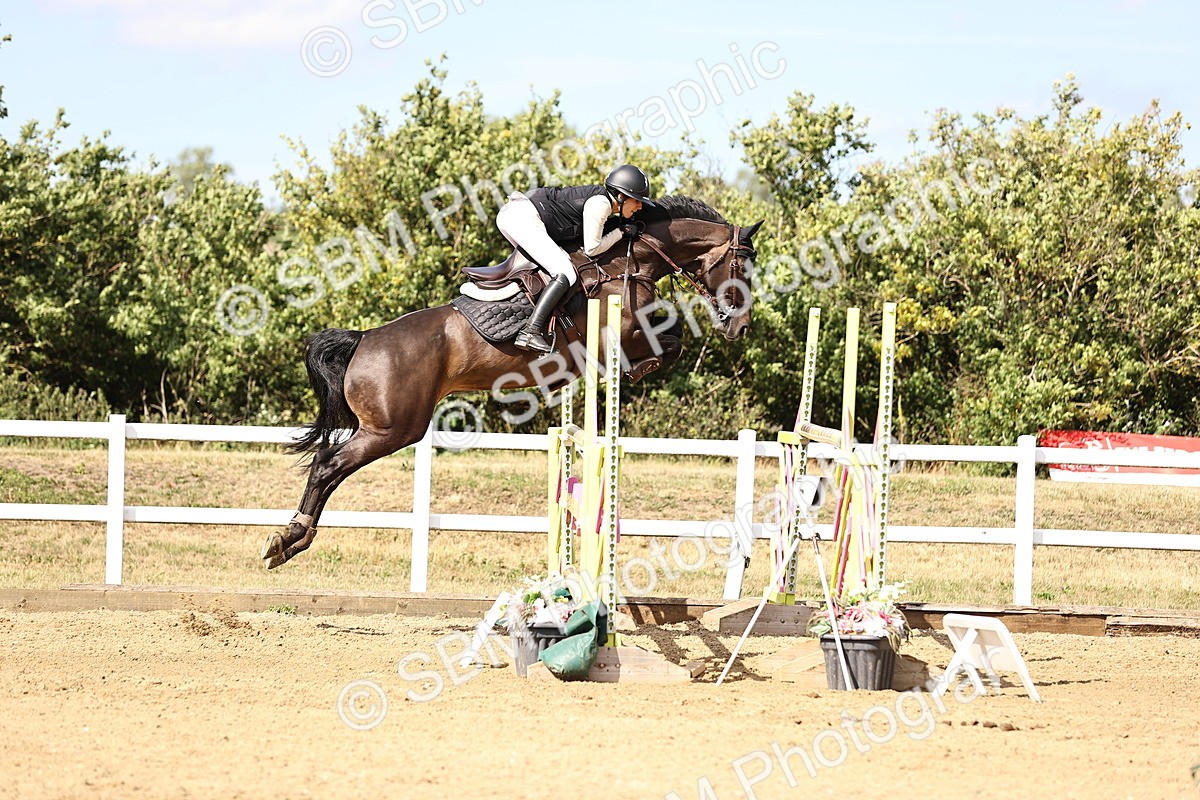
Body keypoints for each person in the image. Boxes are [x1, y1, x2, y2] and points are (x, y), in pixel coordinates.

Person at [496, 164, 655, 353]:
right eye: (636, 200)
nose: (640, 206)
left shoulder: (601, 202)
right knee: (565, 272)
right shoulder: (601, 204)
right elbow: (592, 248)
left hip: (518, 216)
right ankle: (530, 331)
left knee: (552, 269)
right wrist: (621, 232)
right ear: (620, 196)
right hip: (521, 217)